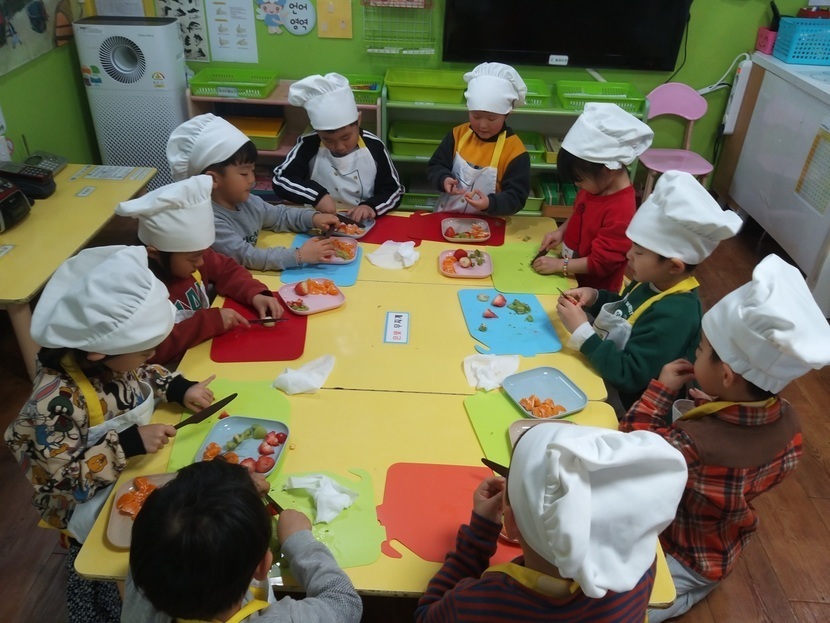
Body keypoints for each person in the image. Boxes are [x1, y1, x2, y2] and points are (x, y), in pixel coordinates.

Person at [3, 245, 215, 622]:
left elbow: (141, 374)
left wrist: (178, 388)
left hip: (132, 476)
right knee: (119, 571)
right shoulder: (54, 404)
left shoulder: (114, 360)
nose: (151, 357)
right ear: (99, 354)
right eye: (145, 352)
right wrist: (128, 444)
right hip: (87, 505)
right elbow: (60, 482)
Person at [619, 254, 830, 622]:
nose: (696, 354)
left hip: (681, 553)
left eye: (701, 350)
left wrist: (660, 391)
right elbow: (746, 460)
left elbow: (629, 452)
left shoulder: (694, 442)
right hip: (721, 544)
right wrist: (712, 407)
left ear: (727, 375)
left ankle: (679, 595)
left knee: (622, 609)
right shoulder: (790, 421)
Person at [415, 422, 687, 622]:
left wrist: (479, 535)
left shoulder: (485, 601)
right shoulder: (639, 566)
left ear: (510, 523)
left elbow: (427, 615)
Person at [557, 171, 743, 412]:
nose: (628, 255)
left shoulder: (676, 314)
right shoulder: (653, 279)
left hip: (627, 404)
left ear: (674, 266)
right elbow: (627, 307)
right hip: (603, 370)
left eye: (639, 252)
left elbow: (630, 375)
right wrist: (595, 296)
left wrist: (583, 332)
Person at [121, 458, 363, 623]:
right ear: (263, 565)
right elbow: (345, 602)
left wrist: (231, 492)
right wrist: (299, 541)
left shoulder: (148, 578)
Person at [115, 175, 283, 366]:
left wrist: (254, 293)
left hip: (205, 352)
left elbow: (227, 269)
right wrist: (208, 322)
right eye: (193, 258)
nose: (202, 263)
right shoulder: (140, 292)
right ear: (154, 253)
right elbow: (149, 352)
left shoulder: (191, 257)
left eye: (203, 254)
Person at [167, 113, 340, 271]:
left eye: (252, 170)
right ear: (212, 180)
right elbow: (246, 256)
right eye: (244, 173)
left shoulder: (248, 202)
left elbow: (279, 216)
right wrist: (299, 255)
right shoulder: (210, 221)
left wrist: (313, 218)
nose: (252, 179)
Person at [532, 103, 653, 292]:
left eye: (580, 180)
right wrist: (561, 232)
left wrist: (560, 265)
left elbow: (601, 263)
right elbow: (579, 212)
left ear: (607, 169)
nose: (577, 186)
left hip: (593, 290)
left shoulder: (621, 211)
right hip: (571, 275)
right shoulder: (595, 187)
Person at [272, 72, 404, 223]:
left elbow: (394, 191)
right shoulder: (308, 144)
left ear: (358, 120)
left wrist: (371, 206)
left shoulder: (374, 147)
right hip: (317, 221)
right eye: (327, 140)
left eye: (346, 137)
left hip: (362, 223)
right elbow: (281, 179)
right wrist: (317, 196)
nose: (339, 147)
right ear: (317, 131)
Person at [427, 62, 530, 216]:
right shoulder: (458, 134)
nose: (483, 125)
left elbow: (517, 196)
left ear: (507, 115)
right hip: (448, 218)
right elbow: (435, 165)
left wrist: (490, 203)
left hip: (489, 222)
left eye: (491, 118)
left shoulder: (515, 151)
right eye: (476, 116)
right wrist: (443, 179)